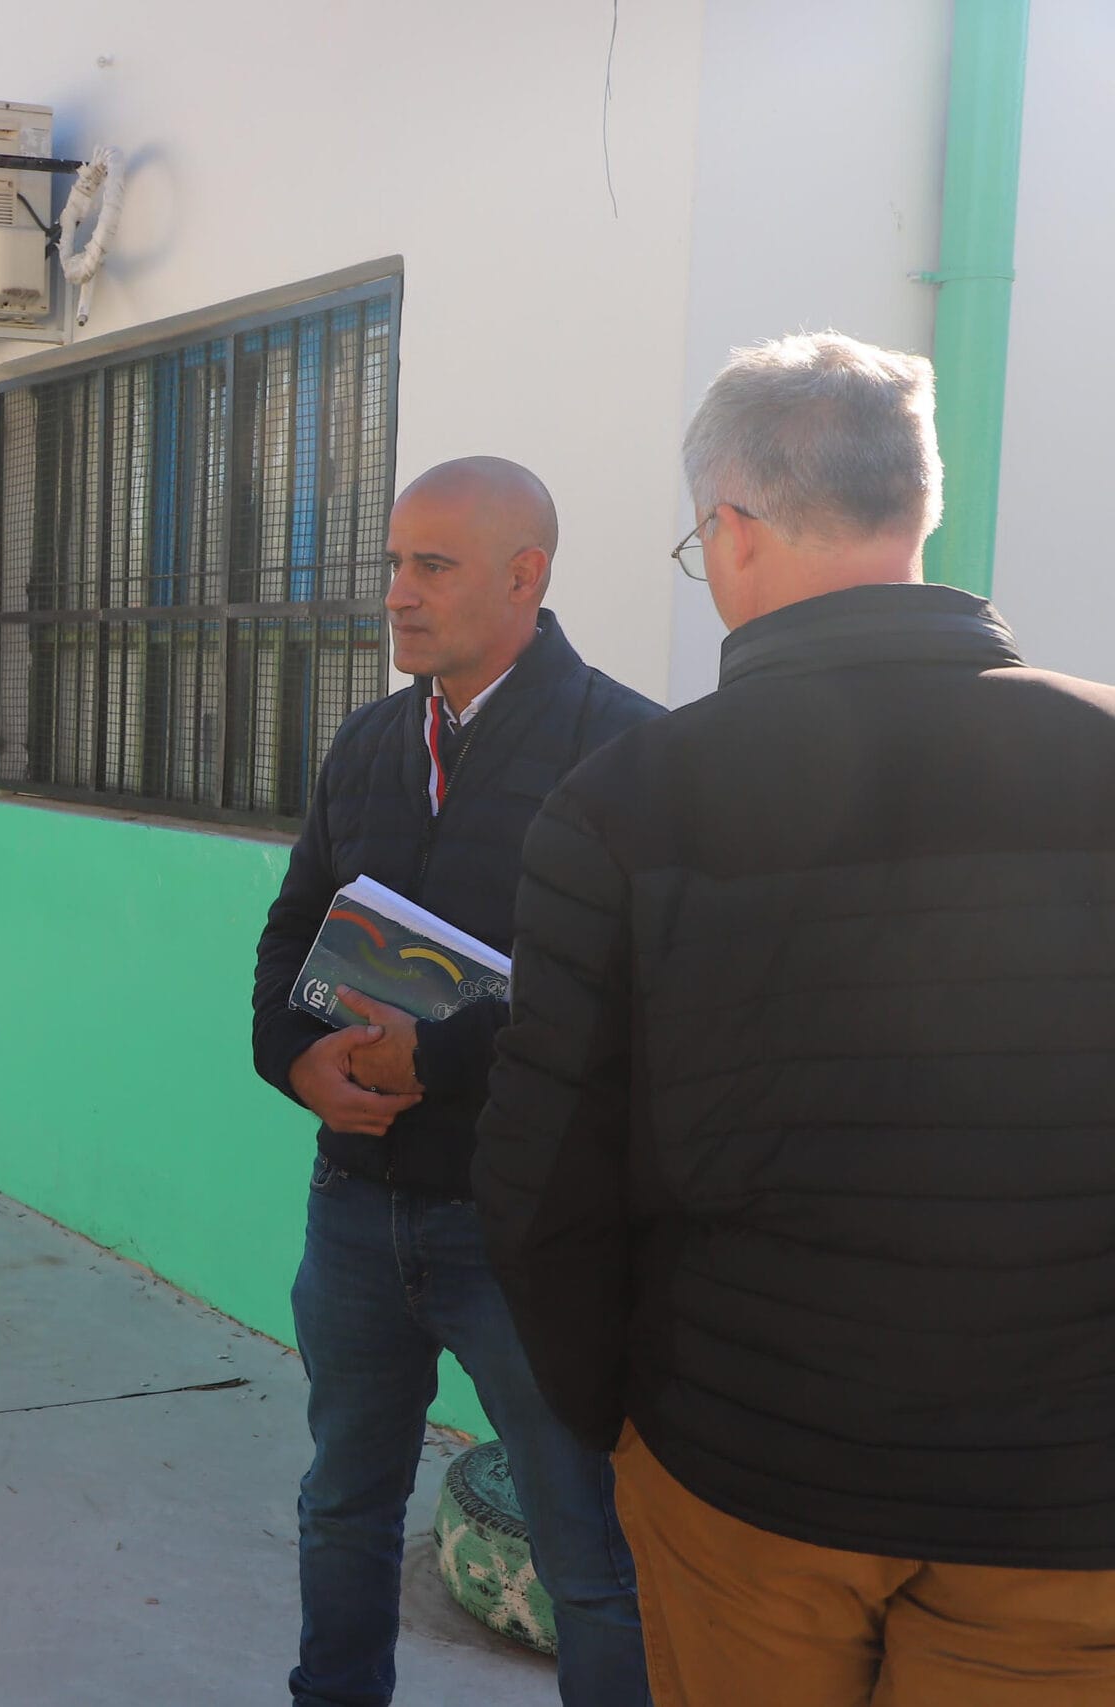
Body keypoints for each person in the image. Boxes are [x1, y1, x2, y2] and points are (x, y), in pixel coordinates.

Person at [476, 332, 1115, 1705]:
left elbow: (542, 1179)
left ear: (730, 528)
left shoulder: (622, 801)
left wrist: (615, 1423)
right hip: (1072, 1507)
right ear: (915, 510)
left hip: (751, 1472)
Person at [250, 457, 660, 1705]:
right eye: (392, 563)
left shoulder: (626, 752)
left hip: (523, 1226)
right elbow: (291, 932)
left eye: (432, 566)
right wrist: (292, 1057)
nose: (397, 594)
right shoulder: (371, 742)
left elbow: (626, 997)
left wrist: (440, 1057)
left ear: (525, 577)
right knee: (340, 1511)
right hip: (356, 1206)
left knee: (586, 1553)